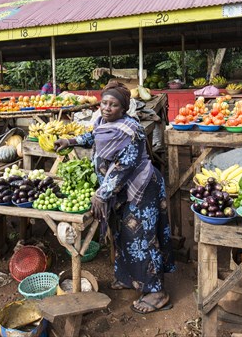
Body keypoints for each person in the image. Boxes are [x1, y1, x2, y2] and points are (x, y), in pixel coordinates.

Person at [54, 81, 175, 314]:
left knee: (143, 237)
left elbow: (124, 166)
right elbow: (92, 137)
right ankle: (129, 278)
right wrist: (69, 141)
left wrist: (102, 193)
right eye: (104, 103)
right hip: (119, 192)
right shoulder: (101, 122)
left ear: (124, 108)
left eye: (114, 105)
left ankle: (157, 292)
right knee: (122, 234)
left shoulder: (132, 130)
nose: (107, 108)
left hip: (141, 189)